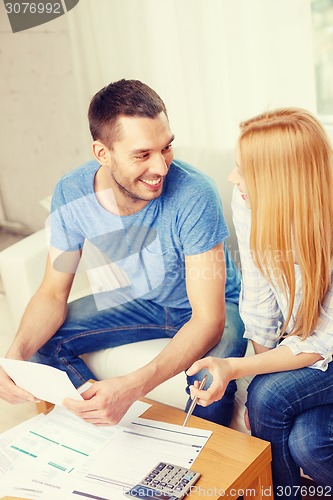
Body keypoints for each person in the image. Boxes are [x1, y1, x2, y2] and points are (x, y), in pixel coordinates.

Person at [0, 79, 247, 427]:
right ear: (102, 153)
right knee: (43, 343)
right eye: (142, 155)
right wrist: (13, 359)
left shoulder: (195, 194)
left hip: (219, 304)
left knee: (208, 381)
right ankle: (108, 423)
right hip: (144, 300)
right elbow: (52, 292)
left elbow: (208, 320)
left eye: (166, 147)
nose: (161, 167)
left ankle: (205, 459)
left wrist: (133, 385)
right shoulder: (72, 195)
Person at [187, 108, 333, 499]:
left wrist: (241, 373)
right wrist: (256, 379)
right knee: (309, 441)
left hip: (327, 348)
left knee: (270, 398)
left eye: (242, 170)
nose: (233, 179)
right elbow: (259, 301)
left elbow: (323, 342)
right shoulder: (248, 199)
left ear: (281, 181)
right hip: (316, 352)